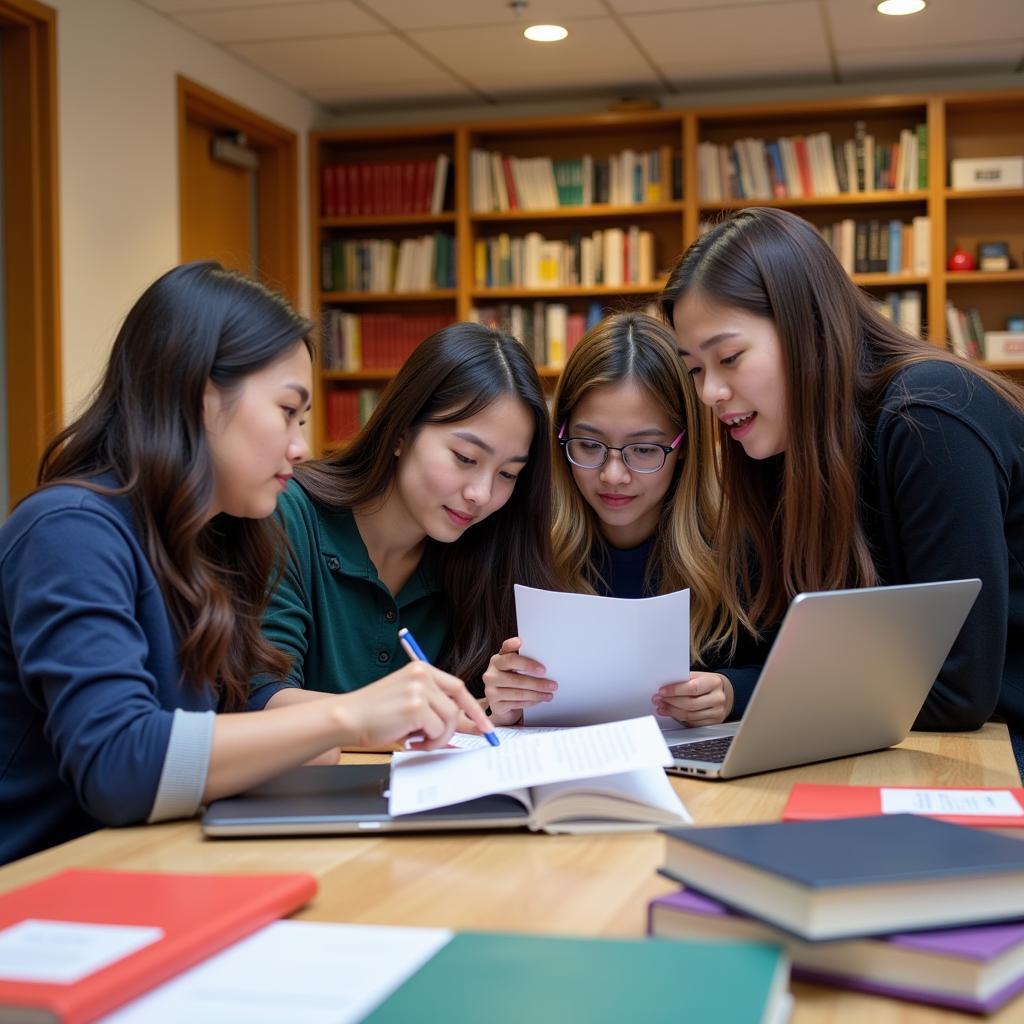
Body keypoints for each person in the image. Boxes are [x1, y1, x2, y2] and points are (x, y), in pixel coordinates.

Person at [0, 262, 491, 866]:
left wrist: (355, 724)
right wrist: (346, 715)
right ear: (203, 398)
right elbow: (118, 763)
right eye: (288, 411)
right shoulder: (69, 530)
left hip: (156, 867)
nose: (301, 446)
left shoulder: (211, 540)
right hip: (42, 891)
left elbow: (231, 720)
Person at [661, 206, 1024, 736]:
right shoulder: (778, 441)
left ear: (807, 328)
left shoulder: (931, 416)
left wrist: (754, 690)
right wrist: (726, 690)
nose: (709, 392)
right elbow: (771, 643)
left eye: (731, 357)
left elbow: (956, 692)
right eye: (694, 368)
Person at [251, 321, 555, 715]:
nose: (481, 494)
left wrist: (499, 707)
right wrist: (391, 715)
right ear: (401, 431)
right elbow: (260, 695)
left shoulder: (486, 551)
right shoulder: (289, 515)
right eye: (465, 457)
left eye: (508, 474)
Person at [482, 312, 739, 728]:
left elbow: (791, 677)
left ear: (685, 446)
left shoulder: (735, 545)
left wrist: (730, 692)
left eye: (644, 450)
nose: (613, 475)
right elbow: (477, 697)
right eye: (588, 445)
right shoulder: (522, 541)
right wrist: (501, 703)